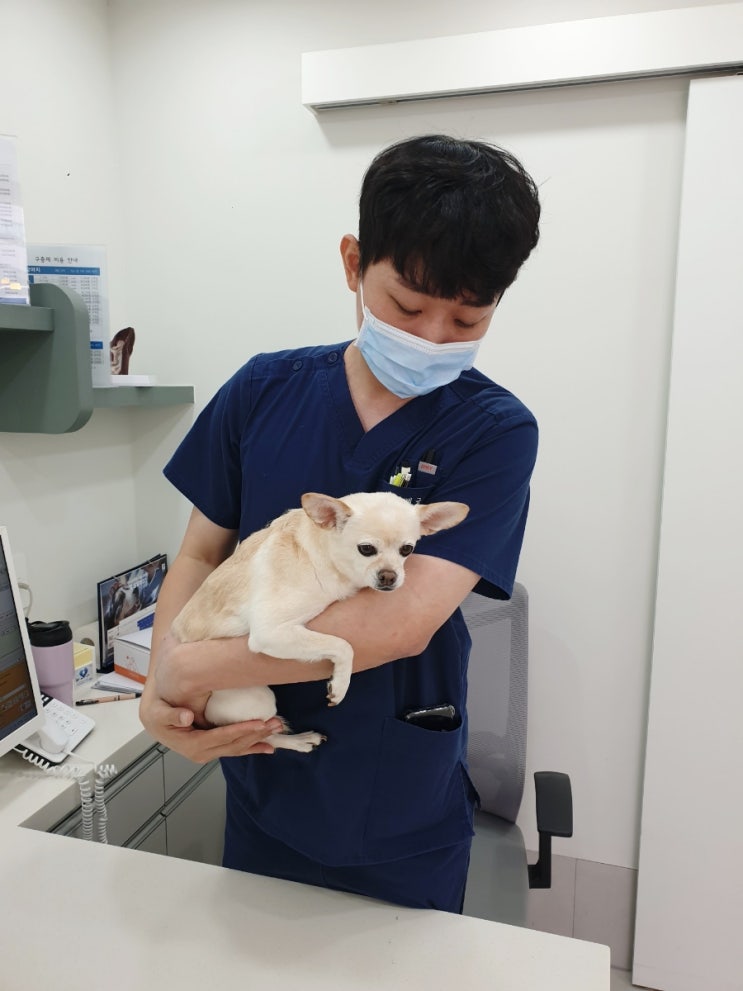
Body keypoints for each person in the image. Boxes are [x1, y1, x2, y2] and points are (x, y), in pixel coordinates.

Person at [139, 134, 540, 913]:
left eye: (467, 317)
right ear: (354, 262)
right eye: (407, 306)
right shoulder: (264, 392)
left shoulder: (494, 432)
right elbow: (198, 556)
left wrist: (191, 669)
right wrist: (168, 688)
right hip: (261, 773)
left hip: (397, 796)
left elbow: (400, 622)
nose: (432, 338)